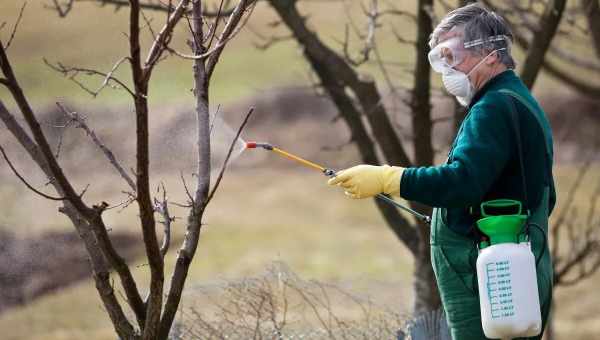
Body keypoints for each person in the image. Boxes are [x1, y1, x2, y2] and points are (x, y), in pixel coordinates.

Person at [328, 3, 555, 340]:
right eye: (441, 60)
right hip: (510, 279)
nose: (447, 69)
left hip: (494, 286)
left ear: (491, 54)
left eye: (452, 55)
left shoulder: (493, 109)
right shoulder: (516, 101)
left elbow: (462, 183)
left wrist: (389, 179)